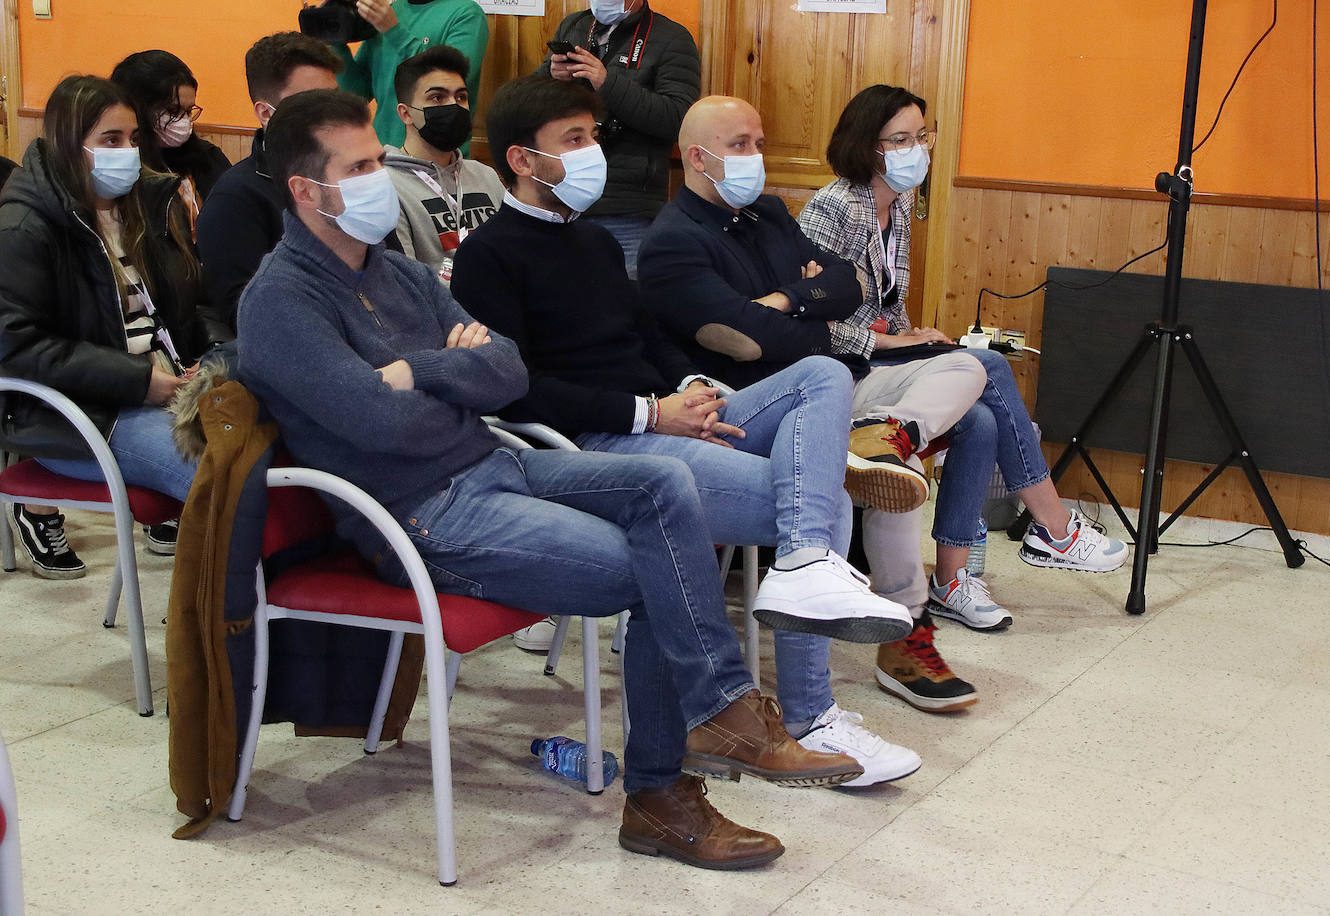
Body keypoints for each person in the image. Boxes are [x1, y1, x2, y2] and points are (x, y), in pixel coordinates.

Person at [236, 88, 868, 870]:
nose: (376, 177)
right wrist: (447, 375)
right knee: (657, 567)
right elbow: (379, 423)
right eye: (359, 166)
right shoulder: (280, 301)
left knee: (668, 491)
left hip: (496, 460)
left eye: (375, 159)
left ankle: (718, 716)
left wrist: (422, 371)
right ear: (306, 190)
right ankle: (667, 790)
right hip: (419, 513)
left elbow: (501, 370)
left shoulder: (397, 272)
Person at [452, 74, 920, 786]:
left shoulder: (598, 243)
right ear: (523, 159)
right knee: (811, 510)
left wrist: (691, 388)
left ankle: (807, 577)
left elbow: (647, 336)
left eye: (591, 138)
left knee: (822, 375)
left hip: (667, 411)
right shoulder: (491, 256)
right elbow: (515, 391)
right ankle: (811, 713)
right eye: (572, 142)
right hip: (600, 443)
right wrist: (648, 414)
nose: (591, 154)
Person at [638, 95, 984, 714]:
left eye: (759, 143)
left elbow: (846, 285)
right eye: (741, 145)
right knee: (840, 411)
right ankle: (898, 638)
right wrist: (804, 300)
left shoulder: (768, 212)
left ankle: (884, 436)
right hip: (743, 408)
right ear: (698, 157)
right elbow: (747, 343)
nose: (756, 158)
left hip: (827, 389)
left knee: (965, 368)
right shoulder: (672, 242)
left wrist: (782, 303)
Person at [798, 85, 1128, 641]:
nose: (916, 148)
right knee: (991, 371)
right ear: (867, 147)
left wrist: (911, 333)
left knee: (982, 419)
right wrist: (890, 345)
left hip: (879, 361)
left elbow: (886, 303)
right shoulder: (833, 209)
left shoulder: (895, 205)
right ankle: (1055, 528)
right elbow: (812, 320)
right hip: (837, 372)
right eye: (900, 139)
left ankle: (951, 581)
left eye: (920, 135)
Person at [0, 76, 213, 575]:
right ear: (67, 145)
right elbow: (15, 346)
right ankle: (220, 621)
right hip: (75, 415)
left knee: (274, 436)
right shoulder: (24, 226)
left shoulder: (146, 206)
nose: (129, 153)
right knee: (222, 470)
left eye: (134, 139)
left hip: (164, 386)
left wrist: (210, 355)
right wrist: (138, 381)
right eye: (111, 140)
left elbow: (184, 312)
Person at [540, 0, 699, 278]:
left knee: (624, 306)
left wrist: (607, 82)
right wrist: (549, 75)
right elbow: (533, 101)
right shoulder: (574, 25)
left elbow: (678, 119)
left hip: (626, 209)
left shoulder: (672, 37)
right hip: (561, 198)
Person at [197, 32, 343, 334]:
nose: (332, 115)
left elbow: (391, 266)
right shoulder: (234, 198)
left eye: (335, 99)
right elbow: (246, 314)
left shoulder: (349, 176)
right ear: (266, 113)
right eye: (313, 102)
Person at [384, 45, 503, 279]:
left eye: (461, 97)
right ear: (405, 113)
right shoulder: (387, 185)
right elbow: (406, 282)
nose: (453, 106)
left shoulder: (486, 176)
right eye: (437, 98)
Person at [332, 0, 490, 150]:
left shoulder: (467, 14)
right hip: (384, 157)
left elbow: (448, 82)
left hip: (439, 161)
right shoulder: (387, 13)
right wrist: (335, 39)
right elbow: (357, 93)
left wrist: (392, 29)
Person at [110, 50, 232, 219]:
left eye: (189, 111)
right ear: (138, 109)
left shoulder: (209, 157)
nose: (183, 121)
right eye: (173, 110)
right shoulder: (120, 173)